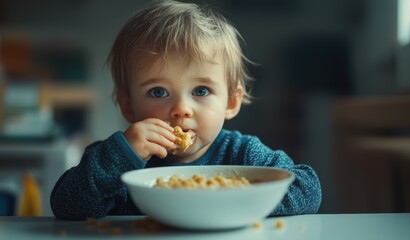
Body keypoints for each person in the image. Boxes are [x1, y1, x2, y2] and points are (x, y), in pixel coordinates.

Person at [50, 0, 322, 220]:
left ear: (231, 102)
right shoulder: (116, 160)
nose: (181, 109)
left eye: (200, 91)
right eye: (158, 91)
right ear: (128, 105)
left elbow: (307, 189)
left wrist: (223, 201)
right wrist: (120, 155)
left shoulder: (243, 155)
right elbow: (66, 205)